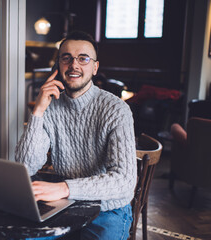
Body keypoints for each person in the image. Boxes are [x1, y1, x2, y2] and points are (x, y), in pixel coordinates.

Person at [15, 31, 137, 240]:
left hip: (107, 208)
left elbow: (124, 180)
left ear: (95, 67)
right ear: (58, 65)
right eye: (67, 58)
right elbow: (26, 166)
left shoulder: (116, 109)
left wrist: (65, 188)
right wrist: (38, 111)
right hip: (65, 204)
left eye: (83, 58)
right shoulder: (50, 106)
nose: (74, 65)